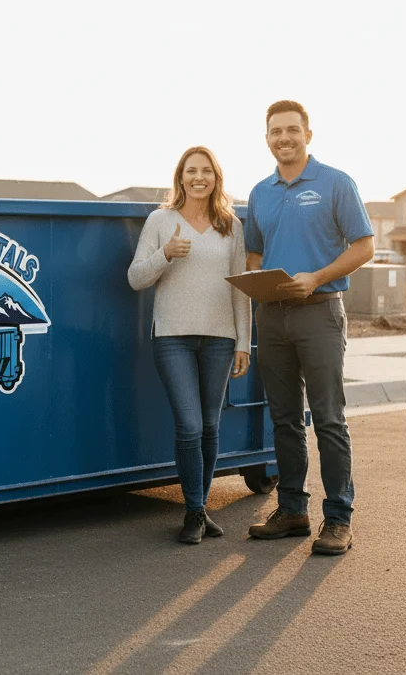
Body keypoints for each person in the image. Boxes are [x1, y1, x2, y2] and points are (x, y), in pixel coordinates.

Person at [243, 100, 374, 555]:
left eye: (292, 130)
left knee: (328, 419)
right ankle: (292, 510)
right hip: (273, 316)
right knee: (283, 419)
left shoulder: (336, 183)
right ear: (267, 139)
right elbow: (254, 252)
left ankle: (338, 518)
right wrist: (256, 276)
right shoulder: (260, 192)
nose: (284, 138)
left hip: (320, 311)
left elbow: (364, 246)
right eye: (276, 131)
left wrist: (317, 277)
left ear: (307, 135)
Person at [129, 146, 252, 544]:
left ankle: (201, 508)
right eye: (191, 171)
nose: (199, 177)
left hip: (220, 338)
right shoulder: (160, 221)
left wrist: (243, 342)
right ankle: (194, 511)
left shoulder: (230, 226)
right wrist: (165, 254)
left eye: (206, 171)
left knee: (212, 427)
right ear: (180, 177)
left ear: (216, 177)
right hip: (174, 337)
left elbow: (241, 289)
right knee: (190, 425)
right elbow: (135, 278)